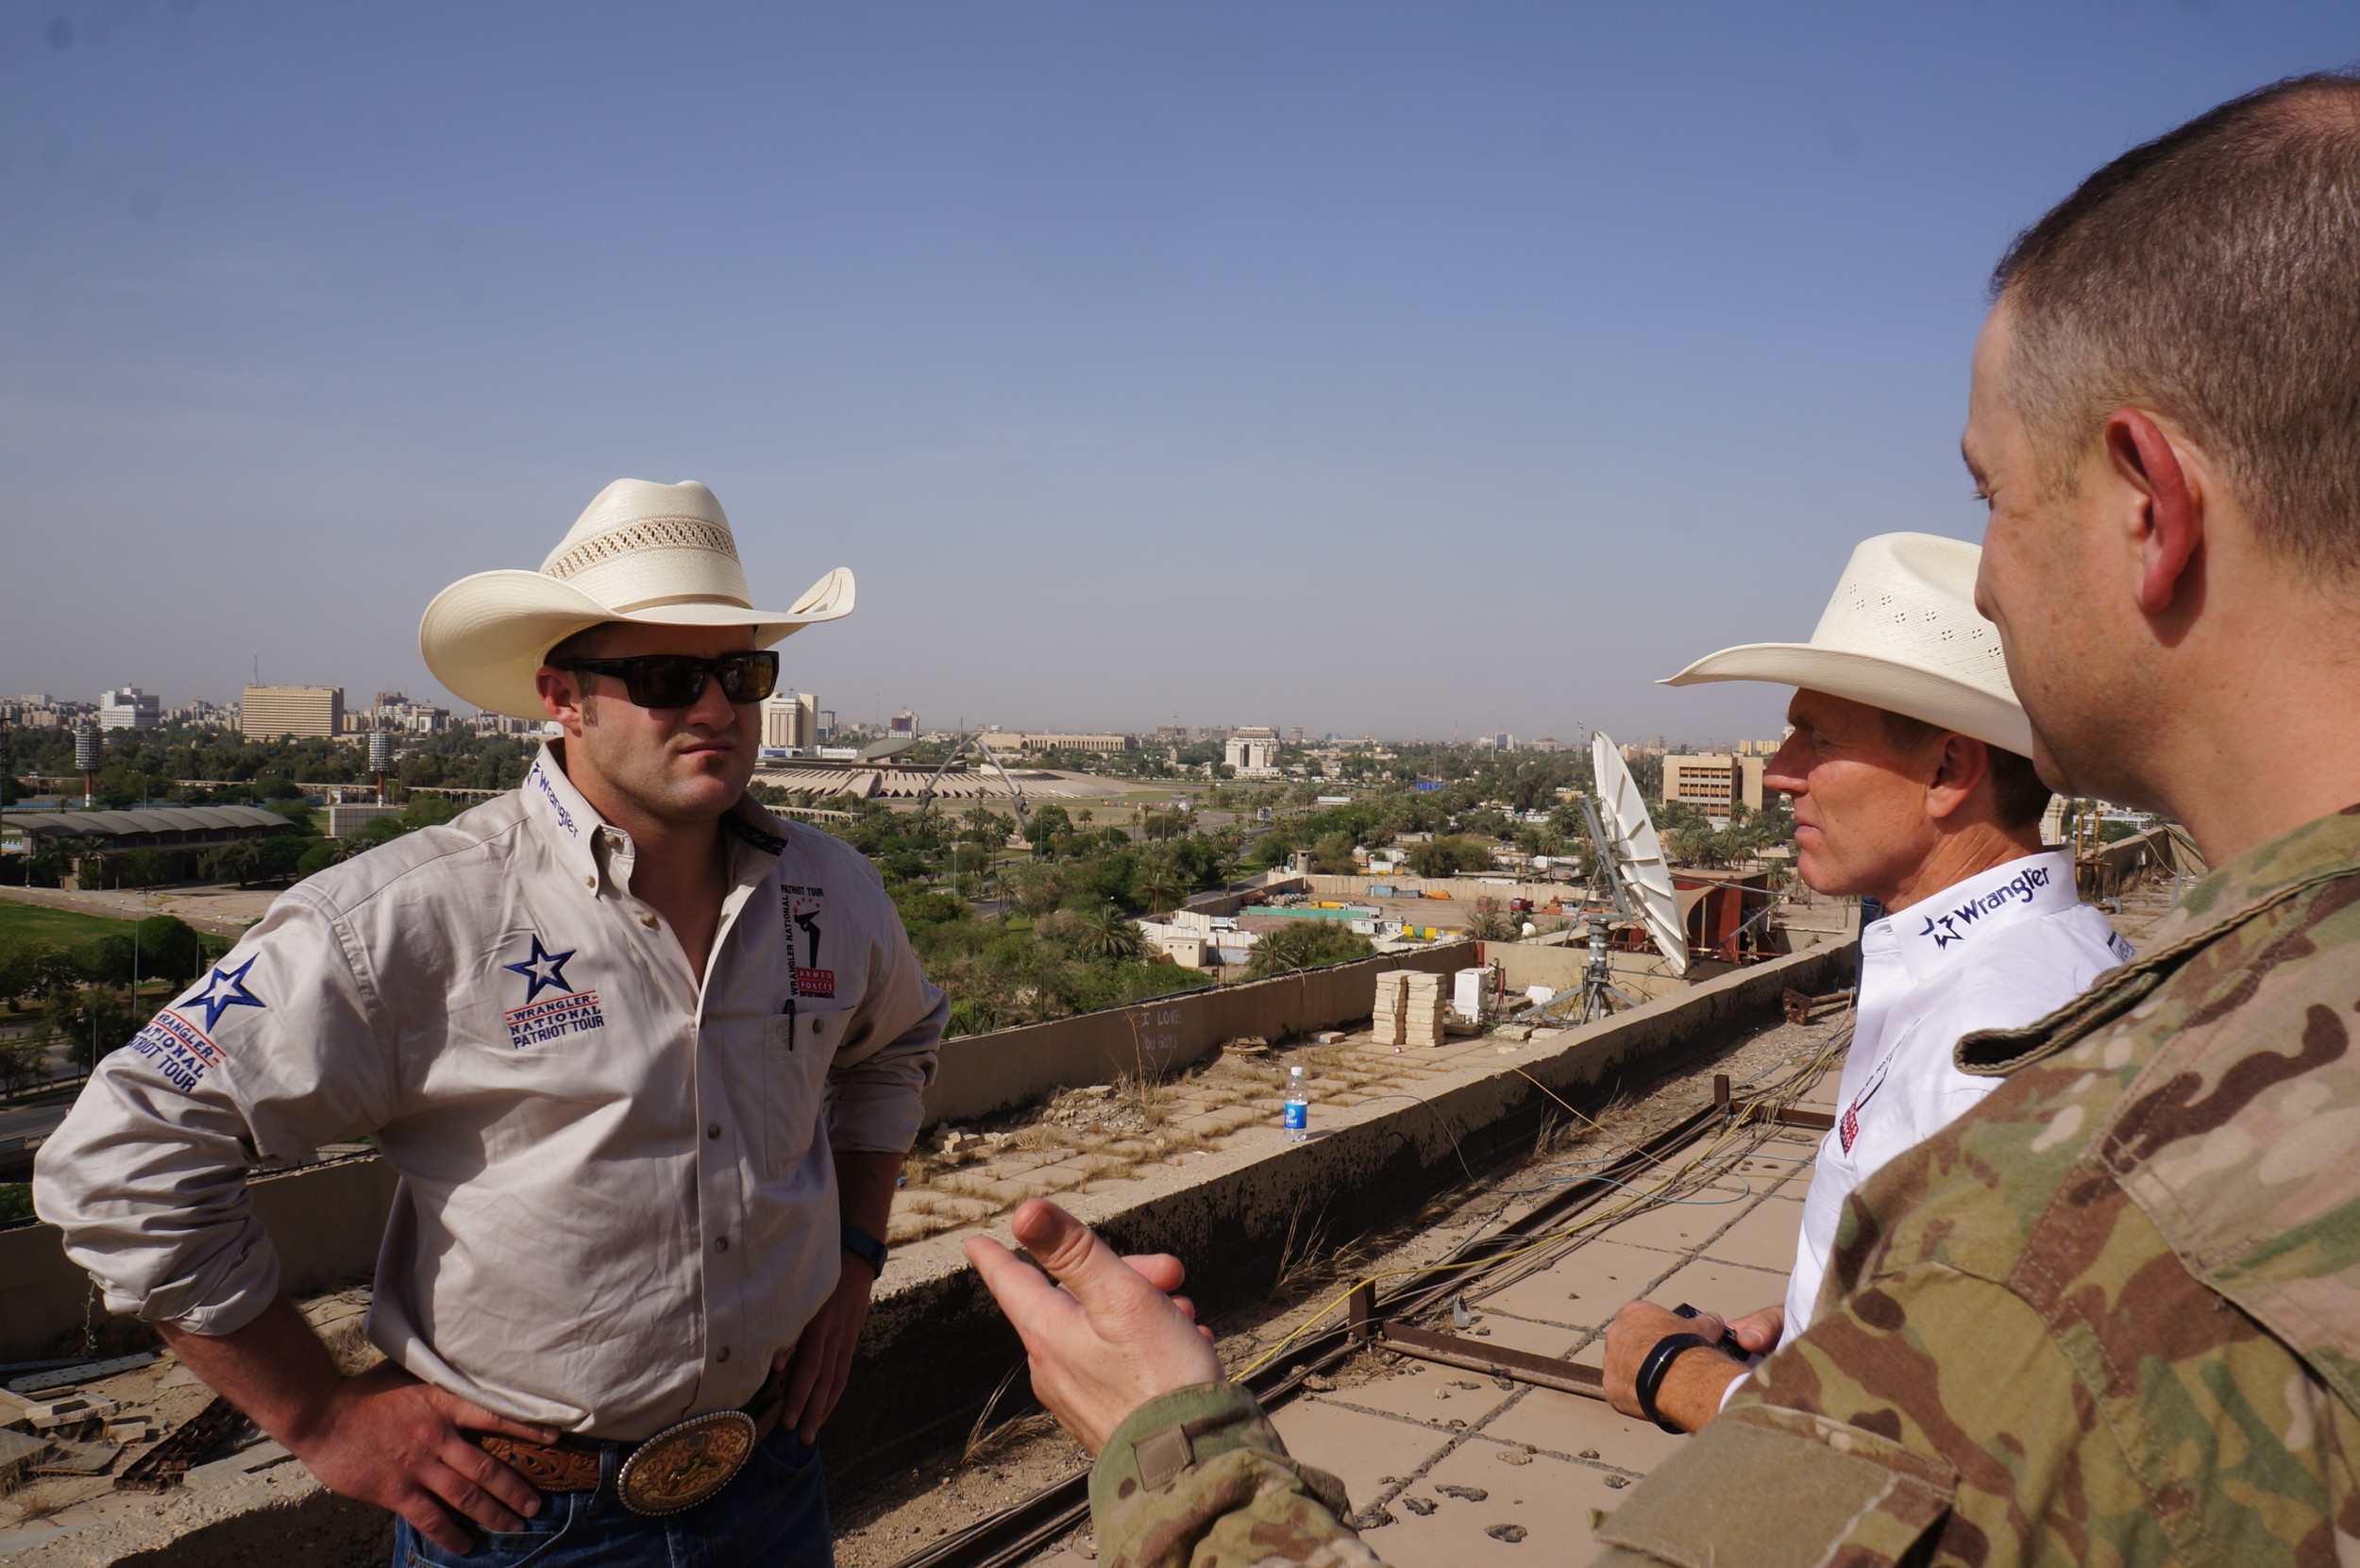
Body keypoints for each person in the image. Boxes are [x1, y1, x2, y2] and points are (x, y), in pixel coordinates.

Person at [969, 72, 2360, 1568]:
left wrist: (1173, 1448)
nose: (1991, 578)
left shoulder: (2064, 1130)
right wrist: (1841, 1351)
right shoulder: (2208, 1034)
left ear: (2149, 503)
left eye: (1995, 499)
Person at [35, 479, 945, 1566]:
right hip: (524, 1520)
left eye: (743, 674)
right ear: (562, 696)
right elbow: (122, 1151)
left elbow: (897, 1042)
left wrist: (854, 1254)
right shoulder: (411, 917)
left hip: (773, 1478)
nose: (716, 707)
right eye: (667, 676)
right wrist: (319, 1413)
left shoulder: (829, 891)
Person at [1596, 531, 2133, 1435]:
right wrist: (1820, 1323)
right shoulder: (1987, 976)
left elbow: (1950, 1447)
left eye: (1820, 737)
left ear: (1948, 771)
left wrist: (1674, 1376)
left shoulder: (1998, 1044)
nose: (1780, 772)